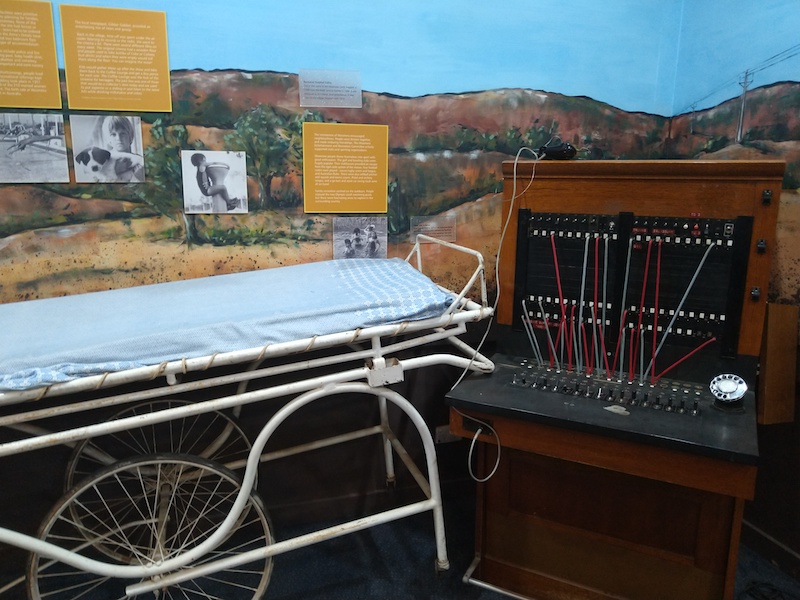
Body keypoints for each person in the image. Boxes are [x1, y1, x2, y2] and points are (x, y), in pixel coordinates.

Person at [90, 116, 144, 182]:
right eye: (113, 134)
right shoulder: (103, 161)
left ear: (130, 136)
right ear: (108, 139)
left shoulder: (139, 160)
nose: (118, 138)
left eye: (123, 133)